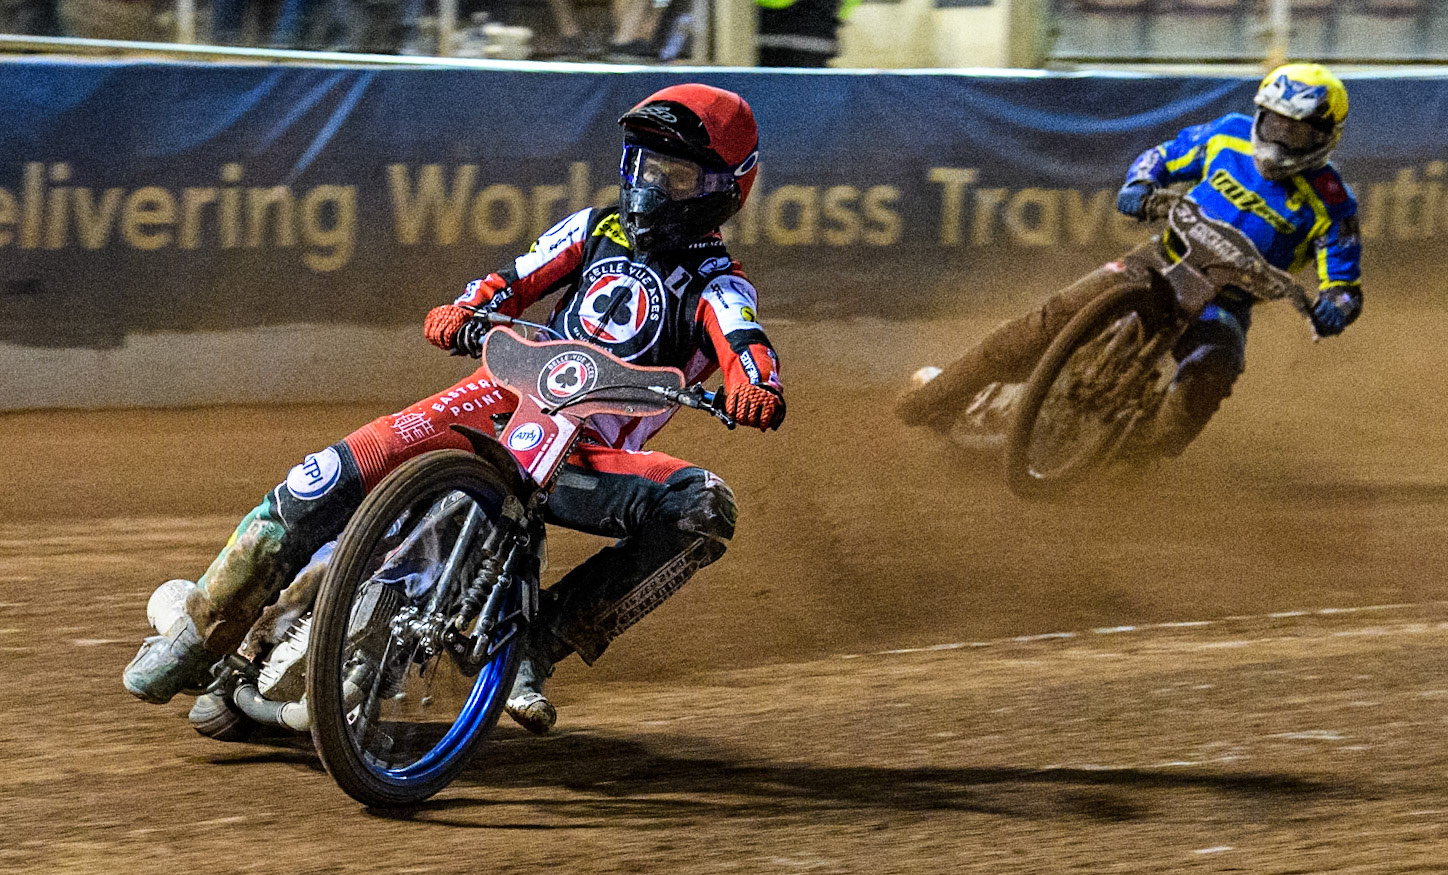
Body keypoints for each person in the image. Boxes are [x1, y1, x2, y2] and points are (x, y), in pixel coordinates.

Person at [123, 83, 785, 737]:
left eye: (674, 174)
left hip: (585, 456)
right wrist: (466, 308)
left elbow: (747, 343)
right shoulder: (594, 228)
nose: (649, 186)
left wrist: (755, 386)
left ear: (723, 189)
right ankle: (200, 630)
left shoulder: (718, 283)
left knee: (702, 509)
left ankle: (540, 638)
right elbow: (514, 277)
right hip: (495, 398)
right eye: (643, 166)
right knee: (320, 478)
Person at [897, 63, 1363, 455]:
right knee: (1047, 322)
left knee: (1209, 380)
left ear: (1326, 136)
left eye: (1298, 131)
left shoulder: (1333, 202)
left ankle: (1126, 458)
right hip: (1160, 261)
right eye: (1276, 123)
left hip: (1226, 303)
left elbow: (1345, 286)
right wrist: (1138, 185)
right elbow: (1162, 156)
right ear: (1261, 115)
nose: (1282, 139)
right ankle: (939, 395)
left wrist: (1333, 309)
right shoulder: (1228, 136)